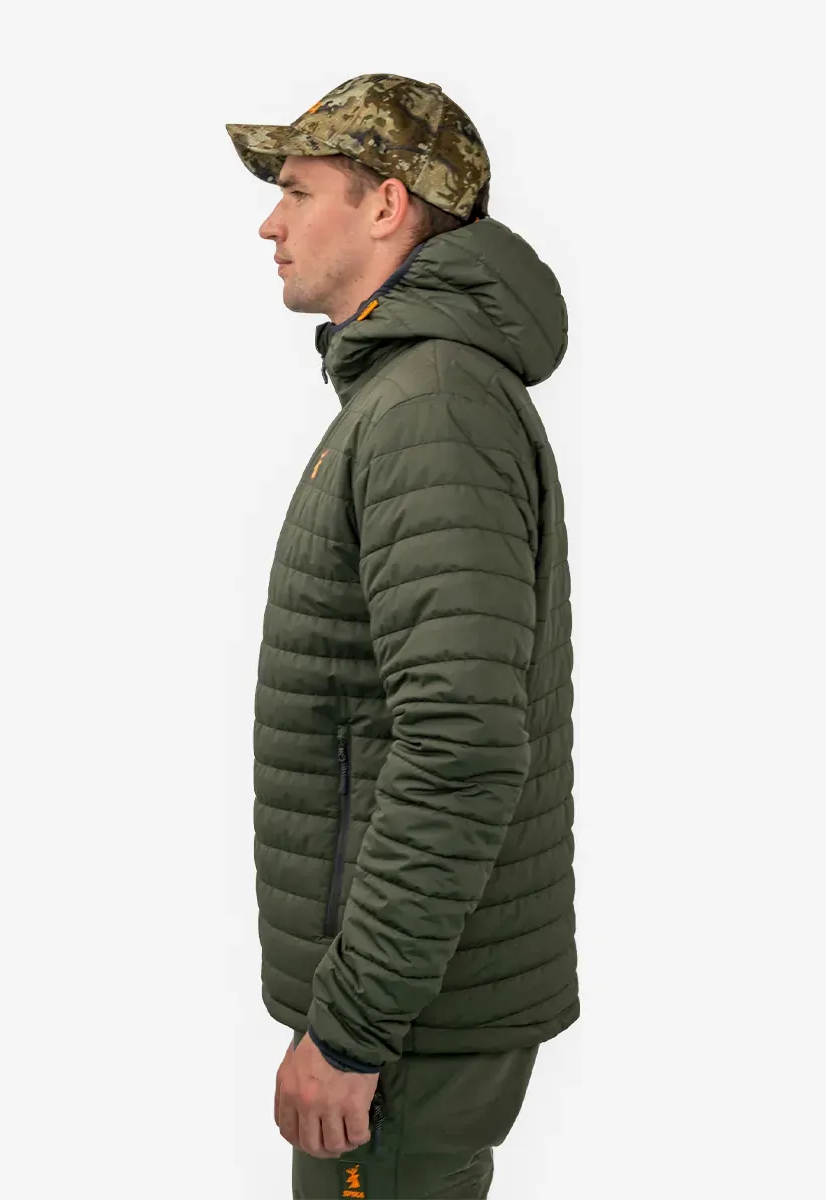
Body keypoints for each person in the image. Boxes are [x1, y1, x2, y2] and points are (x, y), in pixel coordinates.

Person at [226, 73, 577, 1199]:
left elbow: (458, 743)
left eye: (298, 191)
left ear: (386, 205)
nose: (271, 223)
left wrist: (352, 1028)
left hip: (405, 1026)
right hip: (410, 1005)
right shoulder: (413, 395)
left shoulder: (433, 406)